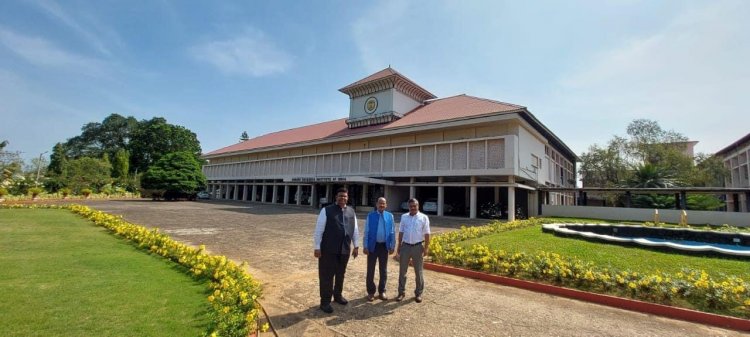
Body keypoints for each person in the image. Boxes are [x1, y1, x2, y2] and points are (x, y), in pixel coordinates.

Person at [313, 187, 359, 313]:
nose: (342, 198)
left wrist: (356, 246)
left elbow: (355, 230)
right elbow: (319, 230)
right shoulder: (326, 210)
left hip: (344, 249)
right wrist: (317, 247)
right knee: (326, 276)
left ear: (347, 198)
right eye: (340, 196)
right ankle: (325, 302)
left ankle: (337, 296)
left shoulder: (351, 212)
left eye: (345, 196)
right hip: (328, 249)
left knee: (340, 274)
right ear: (336, 197)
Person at [395, 198, 430, 303]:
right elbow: (401, 232)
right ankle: (401, 292)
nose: (413, 208)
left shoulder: (423, 218)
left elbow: (427, 234)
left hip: (418, 247)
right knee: (402, 271)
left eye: (415, 206)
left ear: (418, 206)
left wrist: (426, 247)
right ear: (408, 207)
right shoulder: (404, 217)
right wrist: (399, 245)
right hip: (405, 246)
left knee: (418, 272)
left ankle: (418, 293)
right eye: (411, 206)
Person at [363, 197, 396, 301]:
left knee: (383, 270)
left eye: (383, 204)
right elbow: (366, 232)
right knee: (370, 270)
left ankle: (382, 291)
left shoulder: (390, 216)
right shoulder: (370, 216)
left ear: (386, 205)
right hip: (373, 246)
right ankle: (371, 292)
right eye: (380, 203)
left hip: (384, 247)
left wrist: (392, 246)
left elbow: (392, 232)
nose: (381, 205)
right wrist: (365, 246)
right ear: (376, 204)